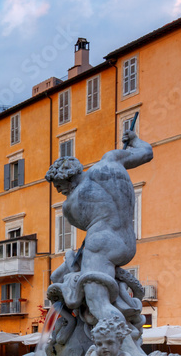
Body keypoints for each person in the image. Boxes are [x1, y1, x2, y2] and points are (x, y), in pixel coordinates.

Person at [46, 129, 153, 331]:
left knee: (98, 305)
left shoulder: (70, 205)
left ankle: (128, 355)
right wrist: (135, 140)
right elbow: (147, 152)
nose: (59, 191)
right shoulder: (111, 161)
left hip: (100, 245)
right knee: (60, 276)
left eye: (59, 186)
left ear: (69, 179)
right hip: (127, 242)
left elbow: (82, 223)